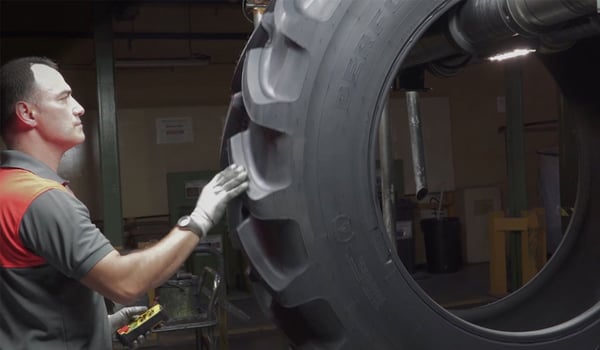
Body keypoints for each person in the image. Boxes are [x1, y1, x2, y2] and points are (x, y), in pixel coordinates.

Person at [0, 56, 249, 350]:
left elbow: (24, 300)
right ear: (27, 113)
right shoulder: (40, 199)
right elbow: (126, 283)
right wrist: (201, 217)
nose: (79, 108)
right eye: (64, 98)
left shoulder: (9, 188)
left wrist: (99, 326)